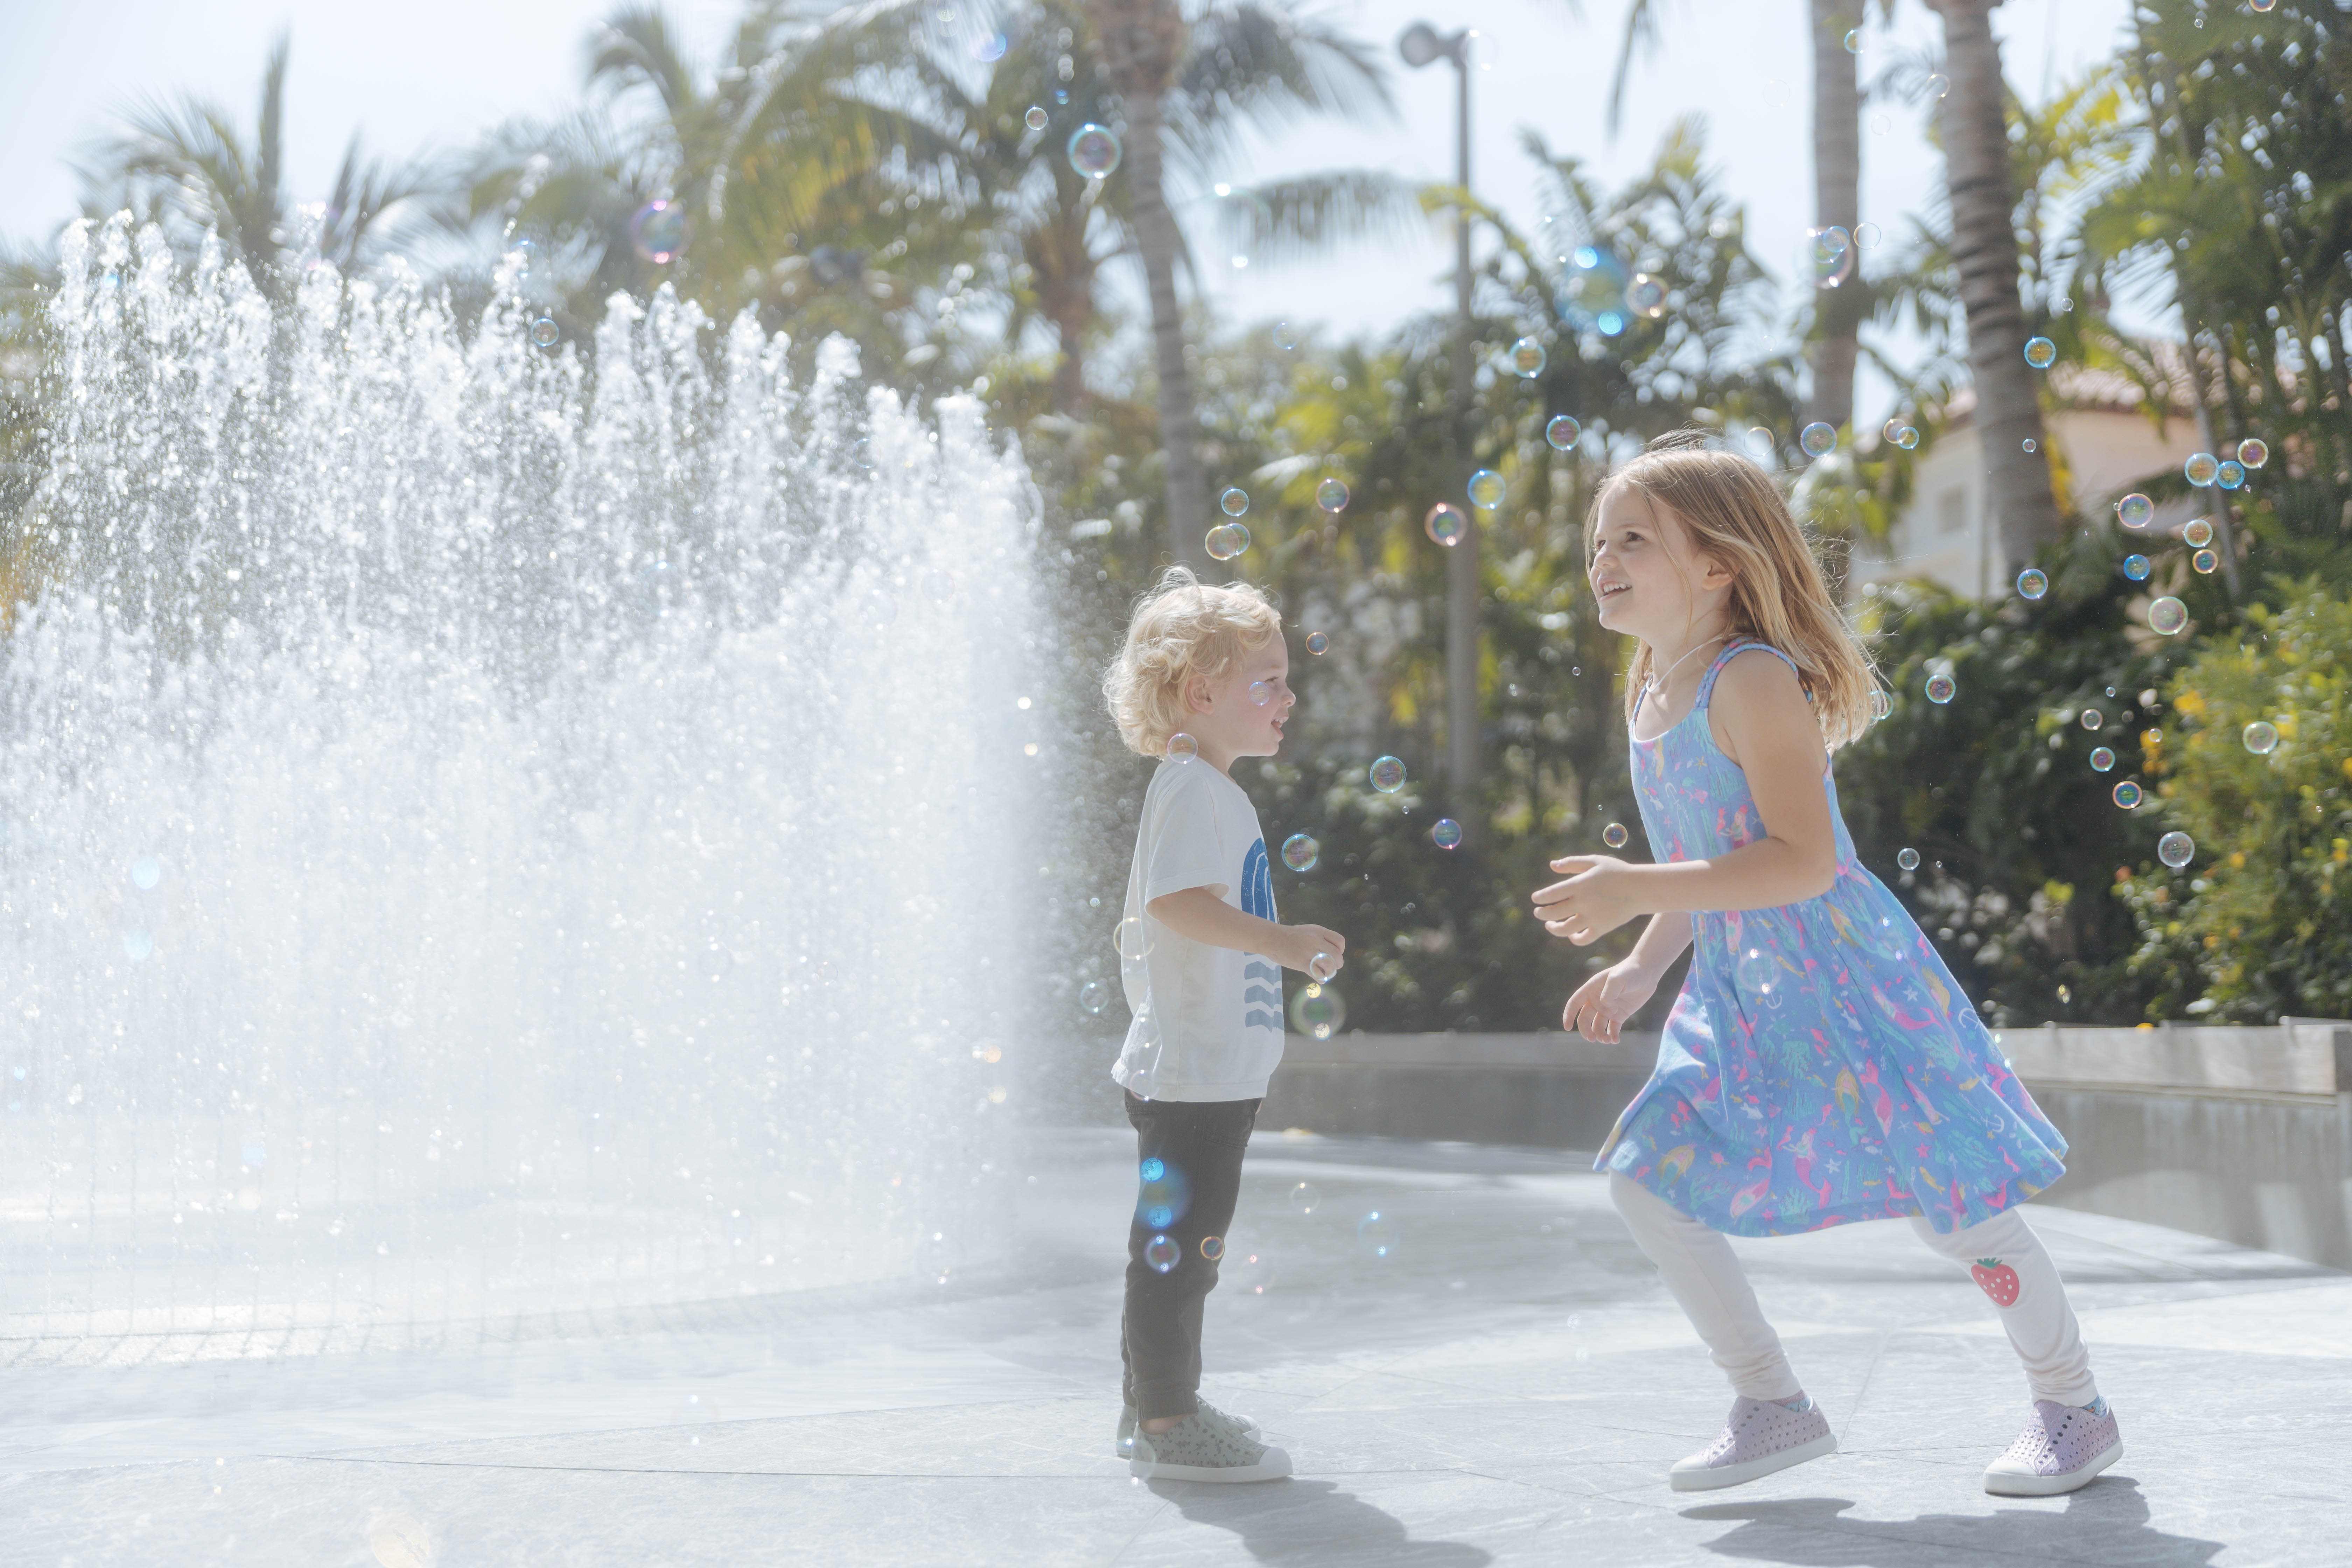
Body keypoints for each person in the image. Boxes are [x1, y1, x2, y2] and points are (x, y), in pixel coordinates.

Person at [1531, 434, 2119, 1498]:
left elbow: (1800, 863)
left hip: (1846, 985)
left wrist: (1636, 892)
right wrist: (1642, 966)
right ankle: (1771, 1404)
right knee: (1648, 1182)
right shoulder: (1650, 686)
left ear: (1719, 564)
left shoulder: (1750, 679)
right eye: (1597, 541)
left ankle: (2073, 1409)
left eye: (1633, 539)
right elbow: (1697, 860)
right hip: (1742, 991)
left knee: (1960, 1213)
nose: (1602, 558)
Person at [1099, 567, 1346, 1483]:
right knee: (1179, 1252)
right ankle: (1169, 1419)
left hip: (1211, 1071)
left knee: (1181, 1246)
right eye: (1267, 679)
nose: (1288, 695)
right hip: (1193, 1072)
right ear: (1201, 693)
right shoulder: (1193, 787)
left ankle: (1151, 1407)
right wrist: (1283, 942)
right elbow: (1179, 905)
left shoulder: (1211, 789)